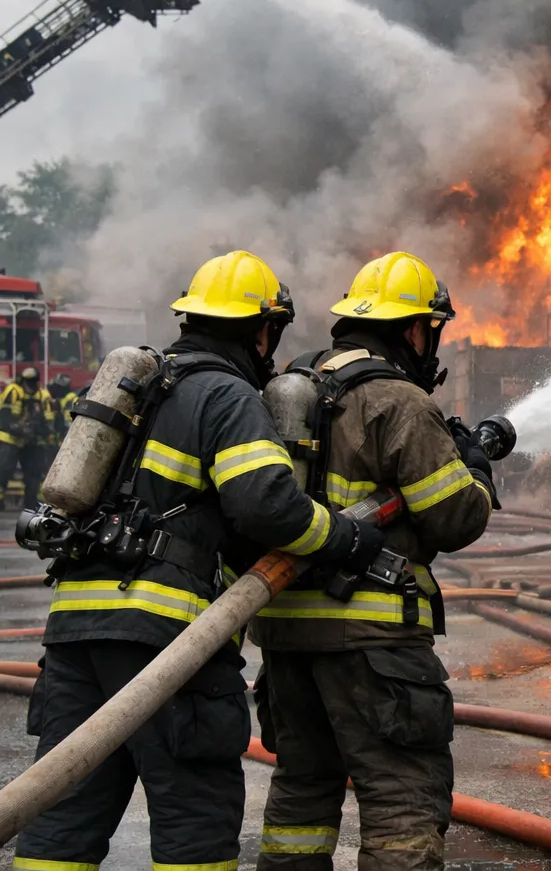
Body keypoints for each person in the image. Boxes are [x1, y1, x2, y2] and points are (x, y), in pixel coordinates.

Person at [14, 250, 386, 871]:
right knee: (195, 817)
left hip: (75, 629)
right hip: (167, 640)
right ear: (263, 328)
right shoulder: (226, 395)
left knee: (63, 814)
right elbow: (267, 506)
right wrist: (343, 537)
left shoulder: (139, 385)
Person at [251, 251, 496, 871]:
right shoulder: (398, 400)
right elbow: (454, 518)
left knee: (301, 796)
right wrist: (476, 472)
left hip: (285, 641)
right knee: (401, 802)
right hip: (374, 642)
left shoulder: (292, 387)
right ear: (414, 327)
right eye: (430, 328)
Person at [0, 367, 55, 511]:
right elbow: (4, 415)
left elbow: (49, 421)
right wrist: (16, 429)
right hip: (10, 438)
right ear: (23, 381)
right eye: (28, 382)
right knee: (4, 469)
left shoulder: (43, 395)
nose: (31, 386)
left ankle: (31, 503)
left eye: (33, 382)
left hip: (32, 440)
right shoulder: (13, 391)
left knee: (34, 472)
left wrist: (40, 431)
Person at [47, 372, 77, 445]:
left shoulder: (70, 401)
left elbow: (68, 425)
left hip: (67, 443)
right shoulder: (62, 401)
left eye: (55, 388)